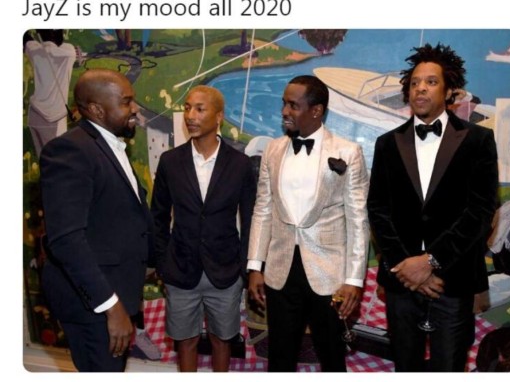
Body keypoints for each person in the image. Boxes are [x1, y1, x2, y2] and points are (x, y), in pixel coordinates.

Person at [367, 43, 499, 372]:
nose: (421, 88)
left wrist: (431, 261)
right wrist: (406, 267)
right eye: (414, 83)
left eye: (431, 81)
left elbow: (480, 212)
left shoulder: (479, 140)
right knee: (405, 367)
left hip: (453, 282)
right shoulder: (387, 143)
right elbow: (378, 211)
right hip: (401, 283)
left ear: (450, 91)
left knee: (449, 367)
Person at [247, 75, 370, 372]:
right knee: (280, 358)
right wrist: (254, 266)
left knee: (332, 357)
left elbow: (358, 219)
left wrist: (354, 280)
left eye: (293, 105)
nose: (284, 111)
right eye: (284, 104)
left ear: (316, 111)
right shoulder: (273, 150)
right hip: (280, 271)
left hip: (329, 274)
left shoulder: (348, 152)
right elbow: (263, 209)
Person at [39, 69, 154, 371]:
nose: (135, 108)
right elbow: (66, 240)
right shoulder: (70, 150)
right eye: (126, 102)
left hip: (116, 297)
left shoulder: (108, 145)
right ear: (97, 110)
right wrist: (110, 307)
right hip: (95, 306)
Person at [151, 85, 256, 372]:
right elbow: (157, 217)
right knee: (185, 342)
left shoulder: (240, 164)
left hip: (225, 271)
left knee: (223, 340)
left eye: (200, 109)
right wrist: (163, 263)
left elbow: (250, 220)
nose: (190, 116)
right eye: (187, 108)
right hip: (180, 270)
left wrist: (244, 269)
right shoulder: (170, 162)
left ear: (218, 116)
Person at [25, 29, 76, 157]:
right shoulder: (68, 51)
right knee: (58, 160)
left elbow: (26, 39)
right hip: (54, 117)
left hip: (35, 114)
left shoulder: (34, 49)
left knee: (42, 159)